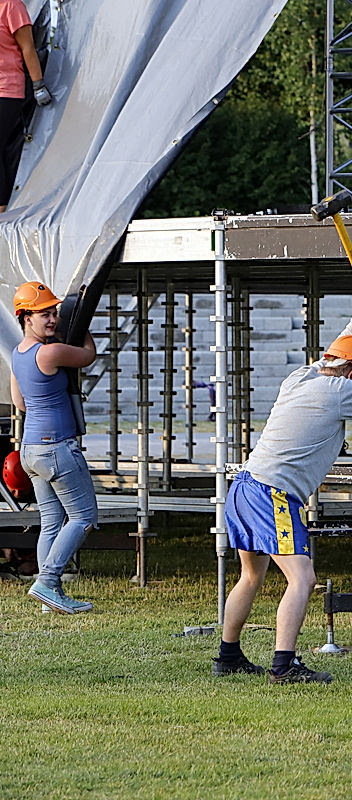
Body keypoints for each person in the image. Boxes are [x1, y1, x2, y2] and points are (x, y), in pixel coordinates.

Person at [213, 290, 352, 684]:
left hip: (244, 488)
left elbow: (338, 352)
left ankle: (227, 656)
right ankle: (284, 666)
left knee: (251, 577)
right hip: (272, 496)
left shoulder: (302, 377)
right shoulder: (340, 390)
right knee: (303, 578)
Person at [9, 281, 98, 613]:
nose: (52, 319)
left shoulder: (19, 355)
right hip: (57, 447)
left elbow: (21, 402)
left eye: (54, 313)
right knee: (84, 517)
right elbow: (87, 356)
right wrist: (82, 328)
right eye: (44, 314)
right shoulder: (50, 351)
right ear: (25, 318)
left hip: (30, 449)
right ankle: (47, 582)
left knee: (51, 520)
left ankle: (49, 599)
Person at [1, 0, 52, 213]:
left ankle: (1, 211)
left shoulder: (12, 6)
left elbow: (28, 48)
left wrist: (38, 84)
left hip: (7, 90)